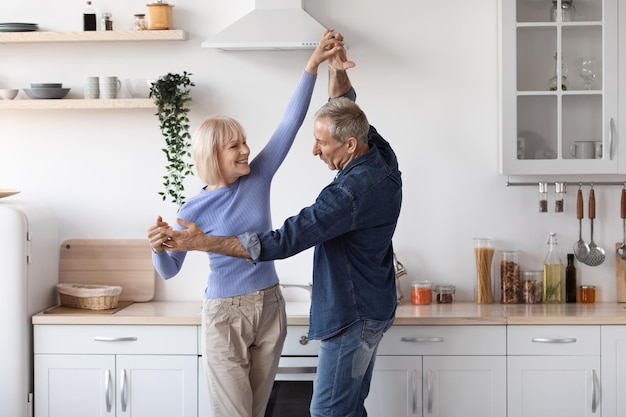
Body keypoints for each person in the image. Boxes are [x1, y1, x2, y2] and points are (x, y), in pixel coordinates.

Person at [152, 42, 402, 417]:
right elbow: (171, 269)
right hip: (226, 311)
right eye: (234, 146)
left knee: (307, 410)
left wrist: (311, 66)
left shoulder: (281, 181)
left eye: (244, 142)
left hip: (275, 306)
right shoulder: (379, 154)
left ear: (349, 145)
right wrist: (158, 249)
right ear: (212, 155)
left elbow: (291, 124)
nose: (245, 151)